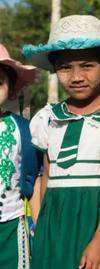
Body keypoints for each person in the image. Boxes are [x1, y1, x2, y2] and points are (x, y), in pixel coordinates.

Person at [23, 15, 100, 269]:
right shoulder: (47, 118)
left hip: (97, 219)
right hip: (54, 224)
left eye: (87, 65)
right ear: (54, 70)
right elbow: (46, 175)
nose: (76, 76)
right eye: (65, 67)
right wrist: (42, 227)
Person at [0, 43, 40, 268]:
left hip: (10, 227)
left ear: (11, 87)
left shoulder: (23, 129)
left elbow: (33, 178)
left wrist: (39, 226)